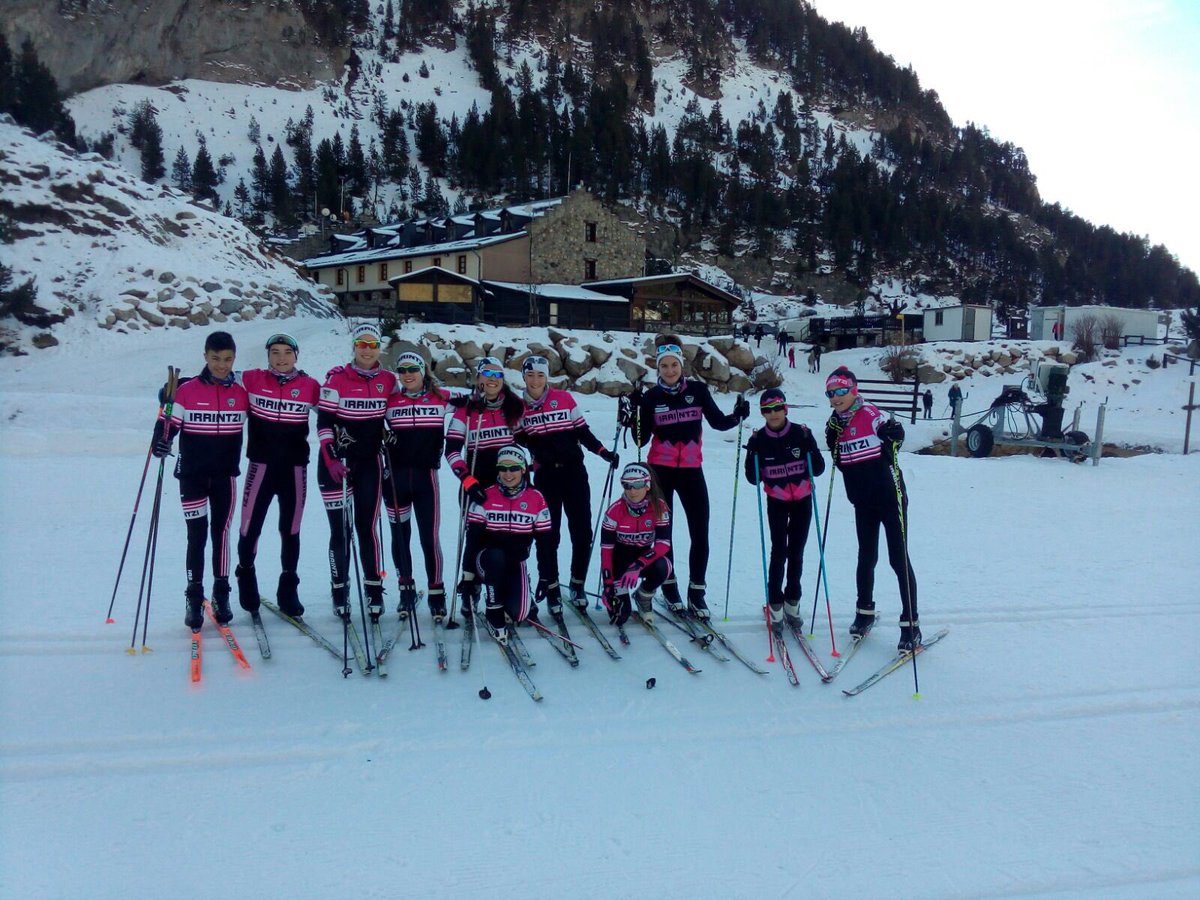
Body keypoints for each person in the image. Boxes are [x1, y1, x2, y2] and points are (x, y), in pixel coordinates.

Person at [623, 333, 749, 618]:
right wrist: (634, 414)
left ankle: (697, 591)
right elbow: (640, 440)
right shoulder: (652, 397)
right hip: (660, 472)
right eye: (664, 366)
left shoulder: (698, 391)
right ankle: (669, 587)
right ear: (658, 368)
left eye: (674, 365)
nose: (670, 371)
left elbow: (717, 422)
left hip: (692, 471)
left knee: (700, 532)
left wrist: (737, 416)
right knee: (664, 534)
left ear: (682, 365)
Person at [151, 331, 248, 630]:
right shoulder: (186, 391)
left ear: (234, 358)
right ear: (205, 356)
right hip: (191, 476)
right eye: (216, 358)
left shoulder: (243, 392)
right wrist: (160, 442)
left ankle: (221, 593)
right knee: (197, 536)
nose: (222, 365)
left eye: (228, 359)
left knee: (221, 534)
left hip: (225, 478)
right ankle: (194, 596)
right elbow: (166, 427)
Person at [823, 367, 920, 650]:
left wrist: (895, 435)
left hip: (890, 498)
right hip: (862, 501)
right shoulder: (835, 424)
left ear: (853, 390)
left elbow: (890, 433)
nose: (837, 397)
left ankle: (911, 624)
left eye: (842, 391)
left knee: (897, 559)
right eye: (831, 393)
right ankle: (864, 612)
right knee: (866, 557)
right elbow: (841, 463)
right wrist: (833, 443)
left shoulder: (870, 413)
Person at [515, 355, 618, 616]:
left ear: (546, 376)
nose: (535, 380)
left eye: (540, 374)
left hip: (574, 473)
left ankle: (577, 583)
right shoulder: (519, 408)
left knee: (582, 532)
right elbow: (517, 441)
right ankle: (551, 587)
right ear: (524, 377)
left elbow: (582, 433)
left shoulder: (564, 399)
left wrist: (603, 452)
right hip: (546, 477)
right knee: (549, 535)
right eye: (530, 375)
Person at [235, 333, 320, 619]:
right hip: (261, 466)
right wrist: (176, 389)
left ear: (296, 356)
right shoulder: (252, 379)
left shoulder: (310, 386)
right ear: (267, 355)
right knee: (250, 526)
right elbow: (215, 377)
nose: (281, 358)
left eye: (286, 352)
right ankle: (246, 576)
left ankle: (288, 589)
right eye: (275, 352)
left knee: (291, 529)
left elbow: (335, 409)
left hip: (295, 468)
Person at [317, 323, 398, 621]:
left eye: (372, 344)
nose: (367, 350)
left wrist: (392, 437)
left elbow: (395, 414)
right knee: (340, 530)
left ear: (380, 348)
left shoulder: (388, 380)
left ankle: (374, 588)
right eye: (361, 344)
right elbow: (324, 422)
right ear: (354, 347)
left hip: (369, 464)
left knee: (368, 527)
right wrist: (330, 458)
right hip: (336, 463)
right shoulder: (337, 378)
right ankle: (339, 589)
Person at [744, 388, 825, 631]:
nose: (773, 413)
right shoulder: (760, 440)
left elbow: (818, 468)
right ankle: (775, 603)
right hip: (777, 500)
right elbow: (752, 478)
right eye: (768, 410)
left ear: (786, 408)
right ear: (762, 413)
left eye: (777, 407)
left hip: (802, 499)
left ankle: (792, 601)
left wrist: (810, 445)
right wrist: (751, 453)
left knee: (796, 551)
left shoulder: (800, 433)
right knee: (779, 551)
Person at [456, 446, 552, 644]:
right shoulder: (485, 497)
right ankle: (493, 609)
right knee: (496, 555)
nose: (508, 474)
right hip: (486, 562)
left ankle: (511, 594)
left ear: (523, 469)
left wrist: (545, 577)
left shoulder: (536, 498)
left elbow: (545, 544)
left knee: (520, 613)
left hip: (515, 563)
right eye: (503, 468)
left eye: (514, 468)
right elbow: (472, 541)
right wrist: (467, 577)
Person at [383, 351, 449, 621]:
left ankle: (436, 592)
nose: (407, 374)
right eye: (402, 370)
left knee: (428, 537)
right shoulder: (388, 401)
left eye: (413, 369)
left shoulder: (441, 397)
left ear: (423, 372)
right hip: (395, 480)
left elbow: (477, 402)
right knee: (400, 537)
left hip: (426, 479)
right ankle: (405, 589)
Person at [599, 463, 672, 626]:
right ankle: (621, 594)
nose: (632, 491)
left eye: (637, 485)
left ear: (647, 485)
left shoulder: (659, 507)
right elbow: (606, 552)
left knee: (664, 566)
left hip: (642, 559)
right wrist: (608, 585)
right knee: (620, 618)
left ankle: (643, 596)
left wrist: (638, 565)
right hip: (619, 564)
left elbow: (663, 544)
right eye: (627, 485)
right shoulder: (614, 511)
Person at [444, 356, 523, 502]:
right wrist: (467, 481)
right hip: (477, 483)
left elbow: (529, 440)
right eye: (487, 373)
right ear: (478, 377)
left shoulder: (513, 405)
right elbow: (451, 451)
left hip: (510, 483)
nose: (493, 378)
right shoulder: (466, 409)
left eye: (498, 374)